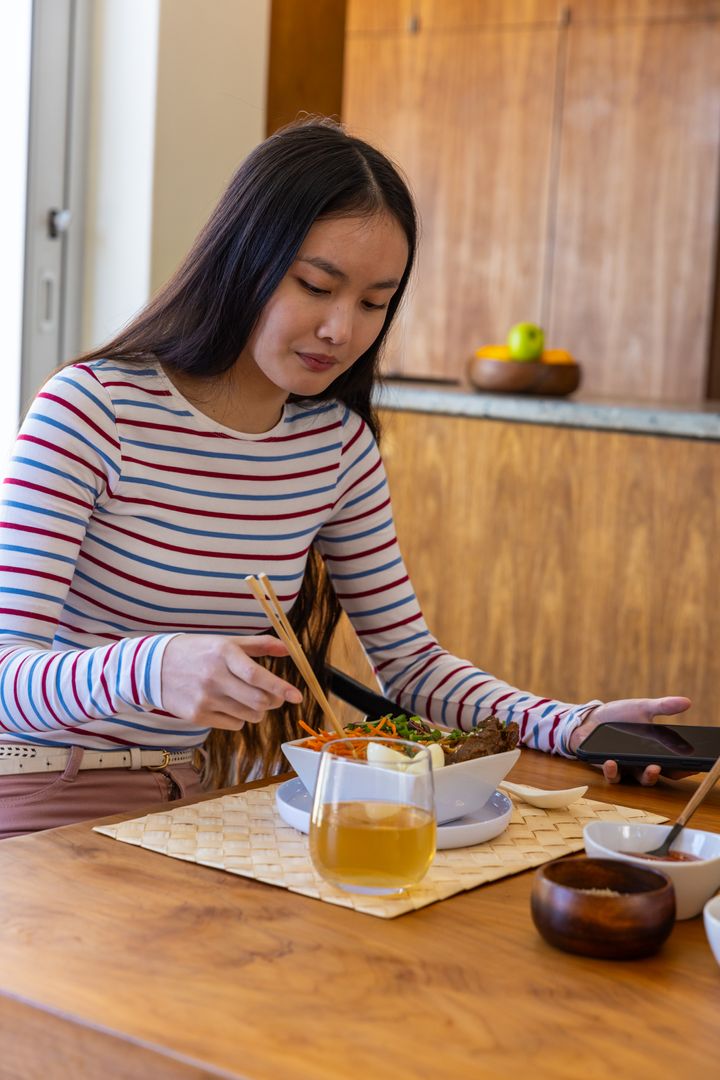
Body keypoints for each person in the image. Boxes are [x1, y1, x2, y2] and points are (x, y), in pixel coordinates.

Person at [0, 118, 689, 839]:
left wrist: (572, 726)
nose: (342, 329)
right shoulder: (93, 409)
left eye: (372, 302)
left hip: (183, 799)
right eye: (316, 285)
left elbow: (412, 664)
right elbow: (7, 673)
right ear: (245, 260)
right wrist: (154, 667)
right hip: (35, 789)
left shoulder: (334, 449)